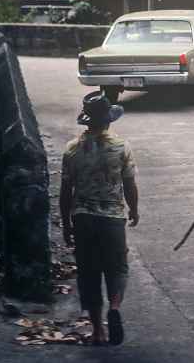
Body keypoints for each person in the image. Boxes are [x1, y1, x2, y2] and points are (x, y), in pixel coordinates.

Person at [60, 91, 139, 346]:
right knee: (117, 267)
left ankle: (97, 330)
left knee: (89, 272)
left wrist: (66, 223)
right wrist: (134, 210)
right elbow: (130, 184)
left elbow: (65, 192)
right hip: (112, 218)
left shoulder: (72, 149)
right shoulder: (121, 147)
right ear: (108, 120)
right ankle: (114, 307)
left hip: (83, 219)